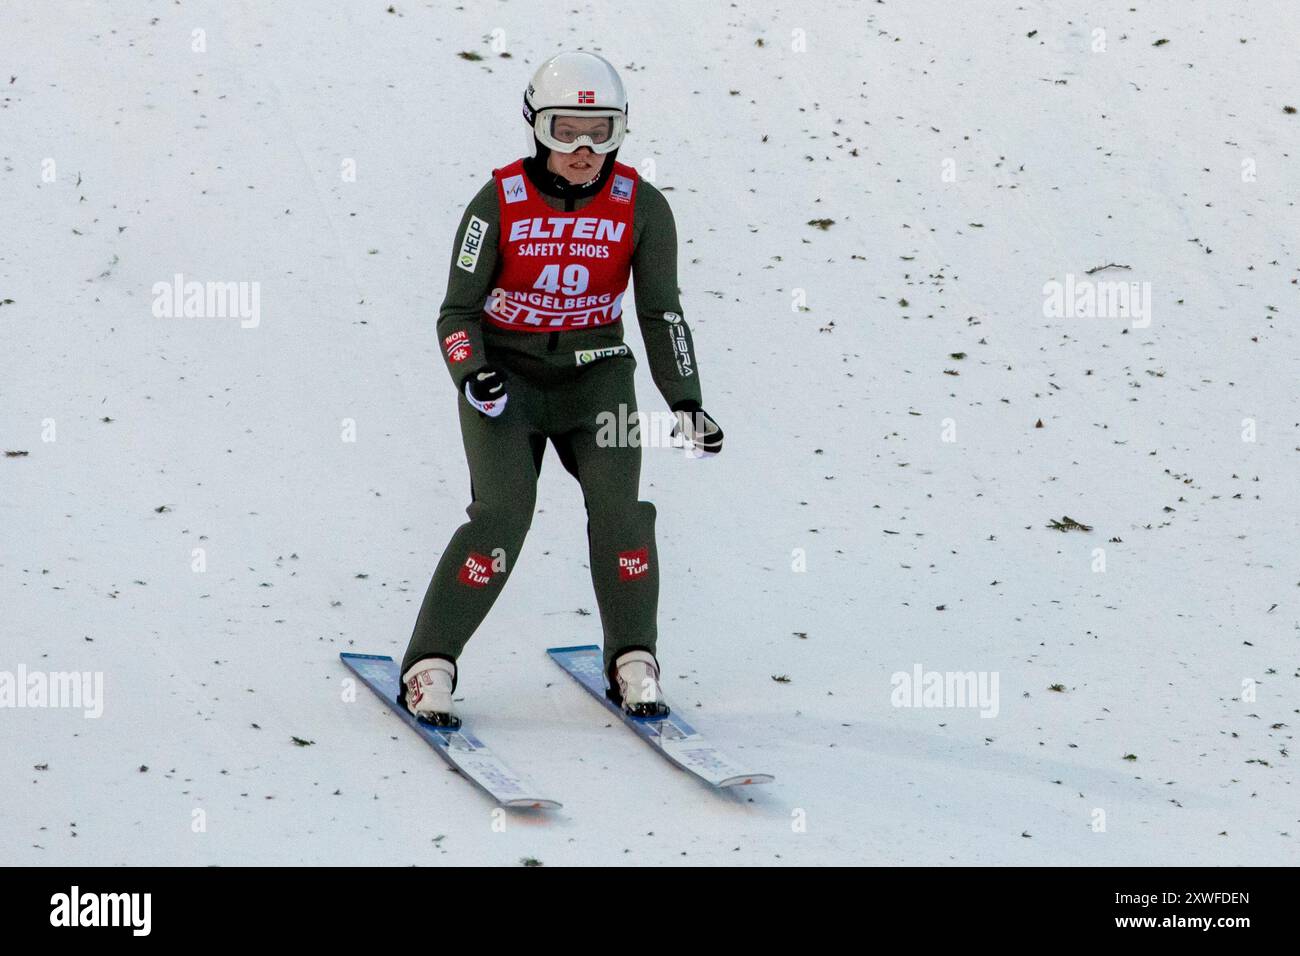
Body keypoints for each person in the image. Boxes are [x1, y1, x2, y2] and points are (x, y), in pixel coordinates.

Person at [399, 51, 723, 727]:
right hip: (507, 386)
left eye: (599, 131)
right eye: (564, 130)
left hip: (597, 380)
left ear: (621, 131)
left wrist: (687, 401)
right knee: (501, 518)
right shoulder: (497, 204)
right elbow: (456, 313)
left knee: (621, 514)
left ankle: (634, 656)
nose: (581, 149)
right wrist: (472, 371)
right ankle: (431, 663)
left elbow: (661, 312)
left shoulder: (642, 207)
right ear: (535, 128)